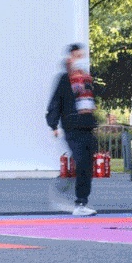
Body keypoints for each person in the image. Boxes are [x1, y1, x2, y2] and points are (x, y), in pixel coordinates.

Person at [46, 43, 98, 216]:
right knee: (81, 161)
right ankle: (79, 202)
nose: (80, 60)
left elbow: (90, 101)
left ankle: (78, 195)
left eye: (82, 56)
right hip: (72, 126)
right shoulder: (64, 79)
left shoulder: (86, 78)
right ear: (70, 58)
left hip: (87, 125)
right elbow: (56, 101)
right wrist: (53, 124)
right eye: (77, 56)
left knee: (87, 164)